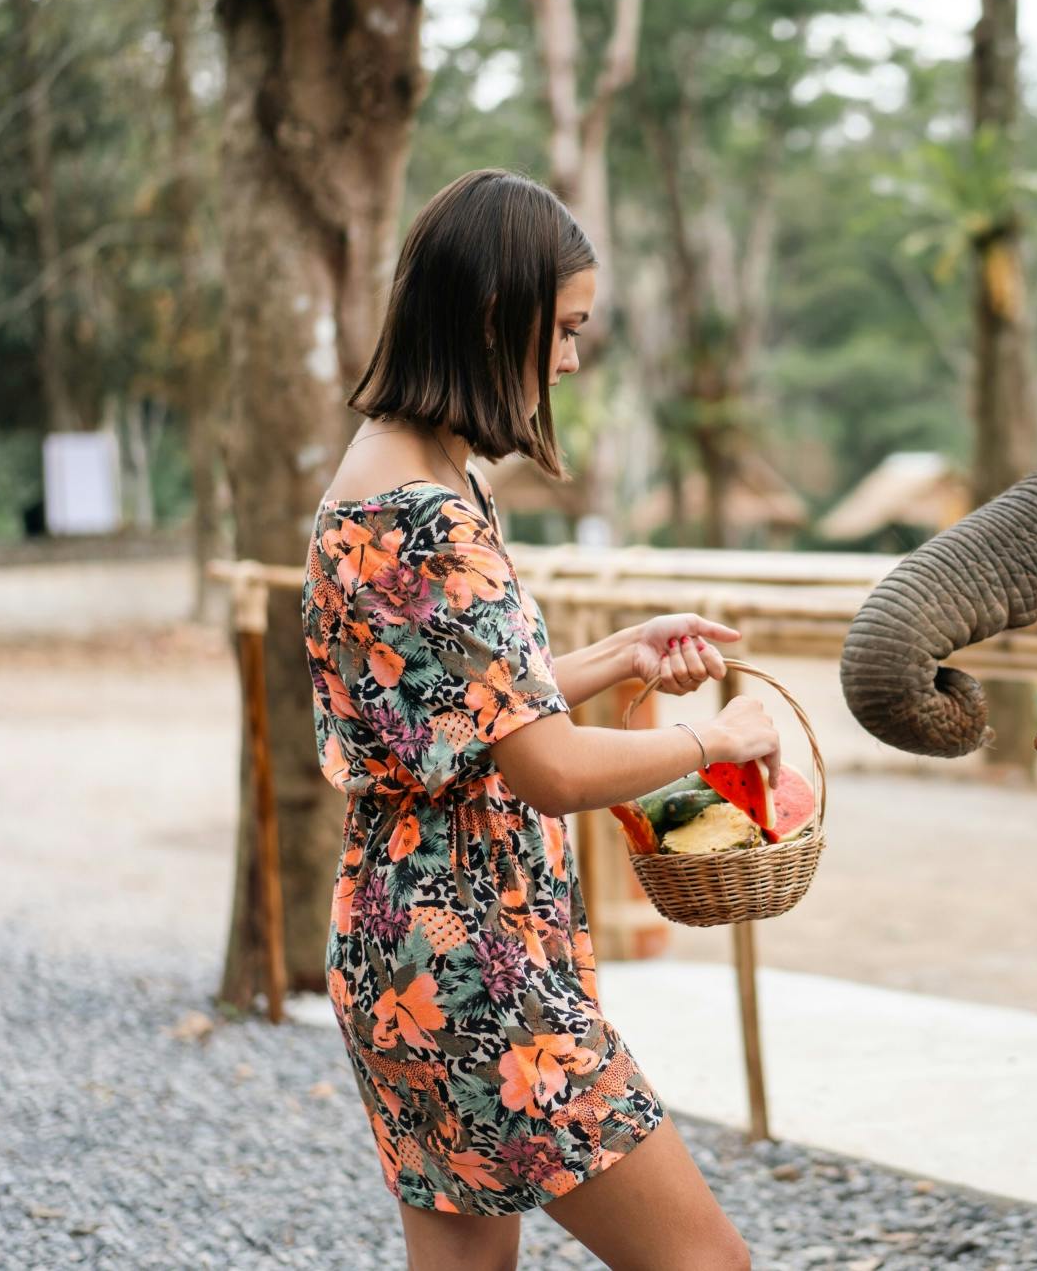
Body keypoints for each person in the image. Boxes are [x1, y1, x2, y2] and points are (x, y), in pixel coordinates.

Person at [301, 168, 772, 1271]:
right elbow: (549, 768)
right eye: (560, 330)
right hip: (476, 971)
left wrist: (620, 653)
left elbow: (466, 716)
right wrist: (717, 740)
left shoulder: (401, 477)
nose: (567, 359)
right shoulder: (422, 514)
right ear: (487, 316)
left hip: (408, 946)